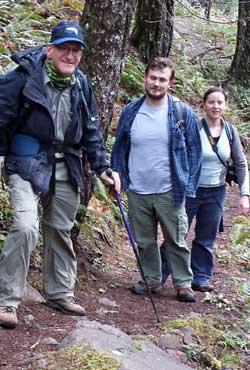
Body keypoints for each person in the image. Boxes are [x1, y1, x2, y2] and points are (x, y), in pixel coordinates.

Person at [0, 21, 120, 328]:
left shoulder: (81, 84)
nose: (70, 55)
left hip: (66, 162)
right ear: (49, 49)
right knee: (27, 226)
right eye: (64, 49)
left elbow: (91, 131)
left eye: (76, 50)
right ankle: (6, 300)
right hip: (26, 160)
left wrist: (102, 167)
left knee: (60, 228)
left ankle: (60, 293)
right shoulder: (21, 79)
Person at [111, 57, 202, 303]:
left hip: (170, 189)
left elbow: (195, 151)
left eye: (162, 79)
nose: (156, 83)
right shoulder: (131, 111)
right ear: (145, 78)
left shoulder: (182, 113)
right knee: (144, 240)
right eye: (153, 77)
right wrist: (117, 175)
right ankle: (151, 280)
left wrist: (188, 185)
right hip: (137, 188)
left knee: (176, 238)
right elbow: (120, 147)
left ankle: (183, 284)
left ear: (170, 83)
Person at [161, 86, 249, 291]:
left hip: (216, 191)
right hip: (190, 190)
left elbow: (240, 163)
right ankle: (159, 275)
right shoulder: (194, 127)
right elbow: (177, 155)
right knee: (176, 234)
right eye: (211, 102)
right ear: (204, 104)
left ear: (225, 105)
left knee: (206, 237)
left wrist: (245, 194)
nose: (215, 106)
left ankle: (200, 277)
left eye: (220, 102)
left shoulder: (230, 131)